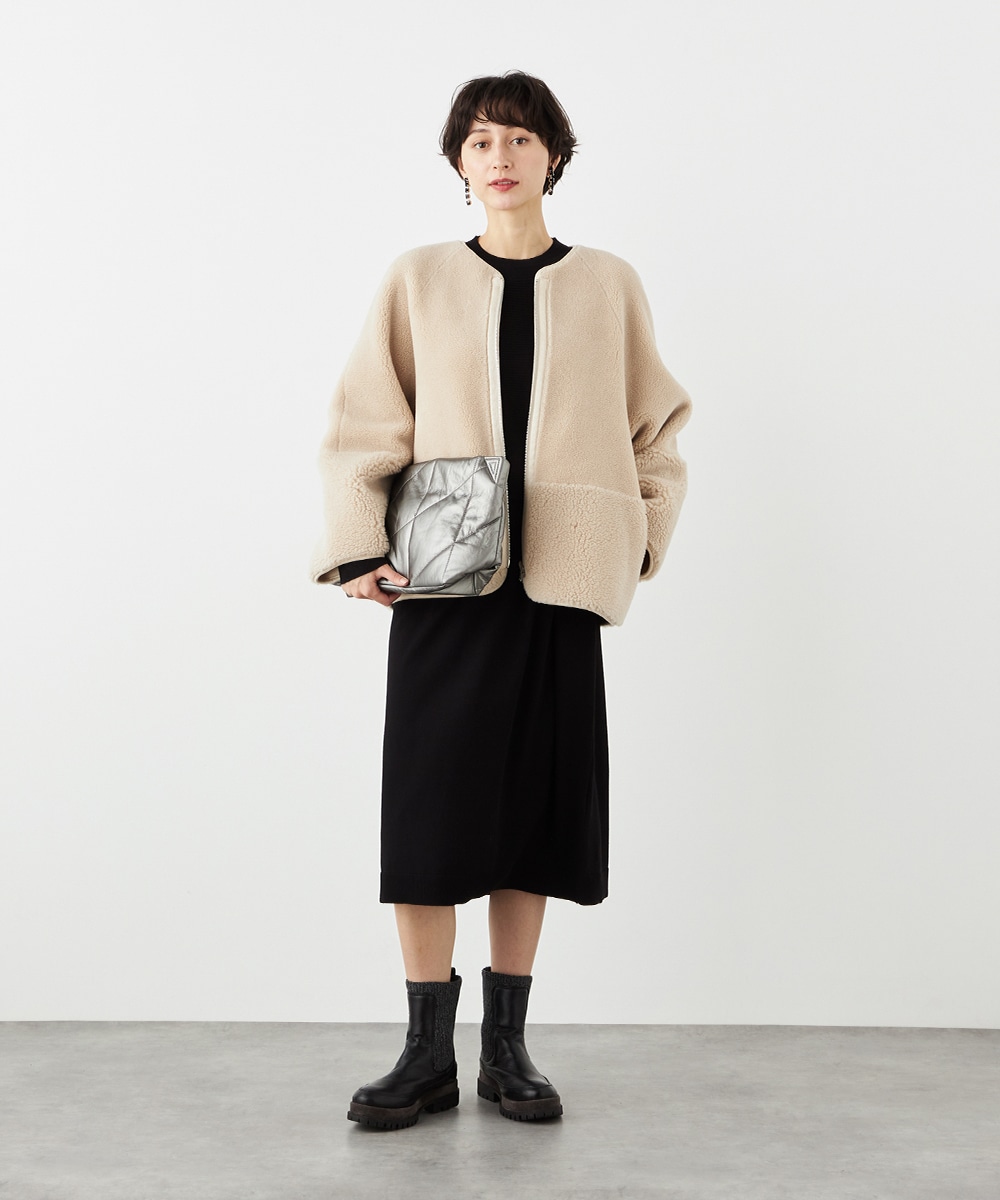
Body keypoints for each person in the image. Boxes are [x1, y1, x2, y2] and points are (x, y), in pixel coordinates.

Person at [310, 70, 692, 1130]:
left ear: (554, 156)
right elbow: (364, 419)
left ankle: (507, 1050)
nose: (501, 157)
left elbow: (657, 431)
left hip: (559, 586)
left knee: (534, 812)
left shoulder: (608, 283)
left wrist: (637, 536)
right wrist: (357, 546)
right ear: (458, 163)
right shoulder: (418, 278)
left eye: (520, 138)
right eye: (480, 140)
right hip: (444, 578)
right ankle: (423, 1052)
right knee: (427, 811)